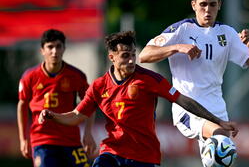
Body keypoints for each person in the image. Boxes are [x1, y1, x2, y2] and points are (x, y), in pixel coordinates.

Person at [38, 31, 238, 167]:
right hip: (112, 152)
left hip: (144, 155)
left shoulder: (150, 80)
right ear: (112, 57)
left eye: (133, 54)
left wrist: (218, 121)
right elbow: (76, 115)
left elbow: (182, 100)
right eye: (125, 56)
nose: (132, 60)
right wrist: (52, 116)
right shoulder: (99, 85)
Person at [139, 0, 249, 165]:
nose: (207, 10)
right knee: (221, 140)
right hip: (187, 108)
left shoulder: (227, 33)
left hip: (216, 108)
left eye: (212, 5)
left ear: (219, 5)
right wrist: (178, 47)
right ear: (194, 4)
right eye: (203, 4)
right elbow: (144, 55)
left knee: (222, 161)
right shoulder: (181, 29)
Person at [17, 29, 97, 167]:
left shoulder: (76, 76)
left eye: (58, 46)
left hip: (70, 140)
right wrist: (23, 138)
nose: (54, 51)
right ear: (42, 50)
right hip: (43, 140)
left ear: (64, 48)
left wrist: (88, 133)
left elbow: (90, 103)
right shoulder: (30, 77)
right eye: (50, 47)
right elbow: (22, 105)